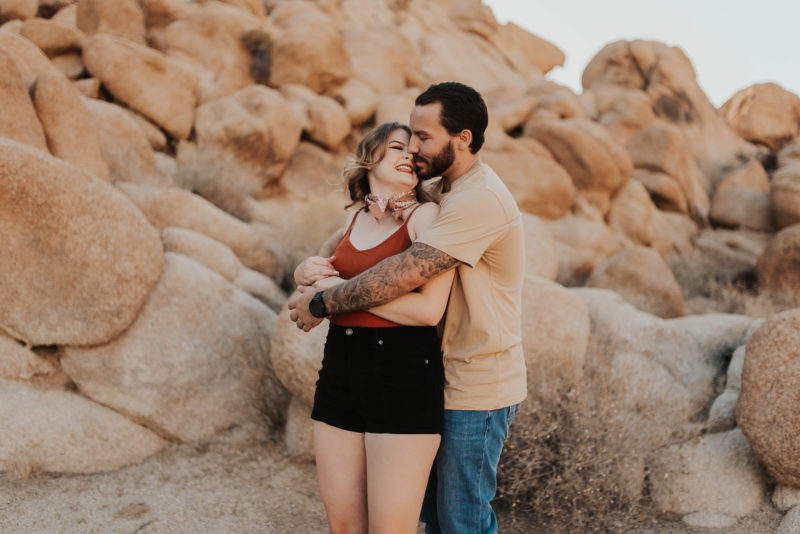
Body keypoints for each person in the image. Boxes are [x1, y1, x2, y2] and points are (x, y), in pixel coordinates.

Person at [289, 81, 526, 534]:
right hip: (431, 369)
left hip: (475, 382)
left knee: (461, 522)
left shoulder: (477, 200)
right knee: (436, 519)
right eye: (407, 138)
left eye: (423, 137)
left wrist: (323, 301)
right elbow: (332, 263)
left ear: (463, 139)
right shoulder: (439, 191)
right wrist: (308, 273)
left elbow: (406, 277)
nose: (414, 149)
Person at [293, 121, 456, 534]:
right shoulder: (353, 222)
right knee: (344, 527)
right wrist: (304, 270)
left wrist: (337, 291)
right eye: (397, 147)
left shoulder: (426, 216)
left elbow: (428, 312)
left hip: (403, 378)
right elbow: (317, 272)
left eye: (414, 155)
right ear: (370, 157)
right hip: (339, 373)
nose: (409, 157)